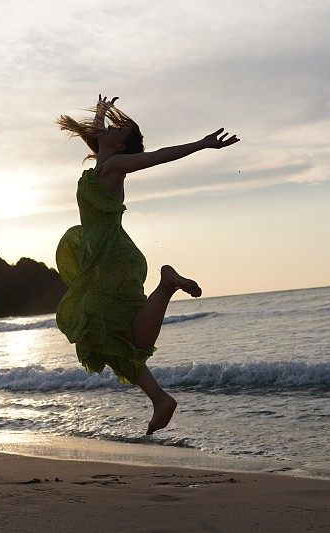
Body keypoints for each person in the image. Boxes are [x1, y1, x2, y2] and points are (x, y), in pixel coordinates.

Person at [55, 95, 239, 435]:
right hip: (107, 256)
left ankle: (167, 290)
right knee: (116, 336)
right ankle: (159, 397)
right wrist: (99, 113)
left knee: (101, 332)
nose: (108, 128)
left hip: (113, 256)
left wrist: (202, 144)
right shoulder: (101, 163)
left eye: (116, 129)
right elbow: (98, 136)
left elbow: (156, 158)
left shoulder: (113, 167)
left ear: (121, 144)